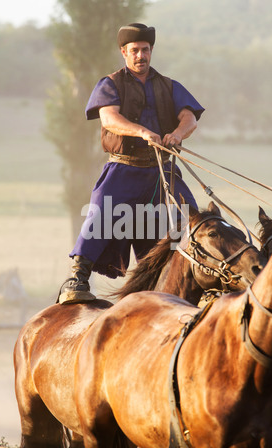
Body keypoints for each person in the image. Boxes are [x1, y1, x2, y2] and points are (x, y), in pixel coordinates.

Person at [58, 23, 204, 305]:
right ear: (124, 52)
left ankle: (206, 284)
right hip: (124, 168)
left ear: (151, 51)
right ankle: (77, 279)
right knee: (100, 212)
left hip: (162, 171)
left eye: (145, 50)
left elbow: (190, 118)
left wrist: (176, 134)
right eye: (134, 50)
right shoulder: (110, 84)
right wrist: (141, 131)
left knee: (194, 220)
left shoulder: (169, 86)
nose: (141, 55)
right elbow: (109, 119)